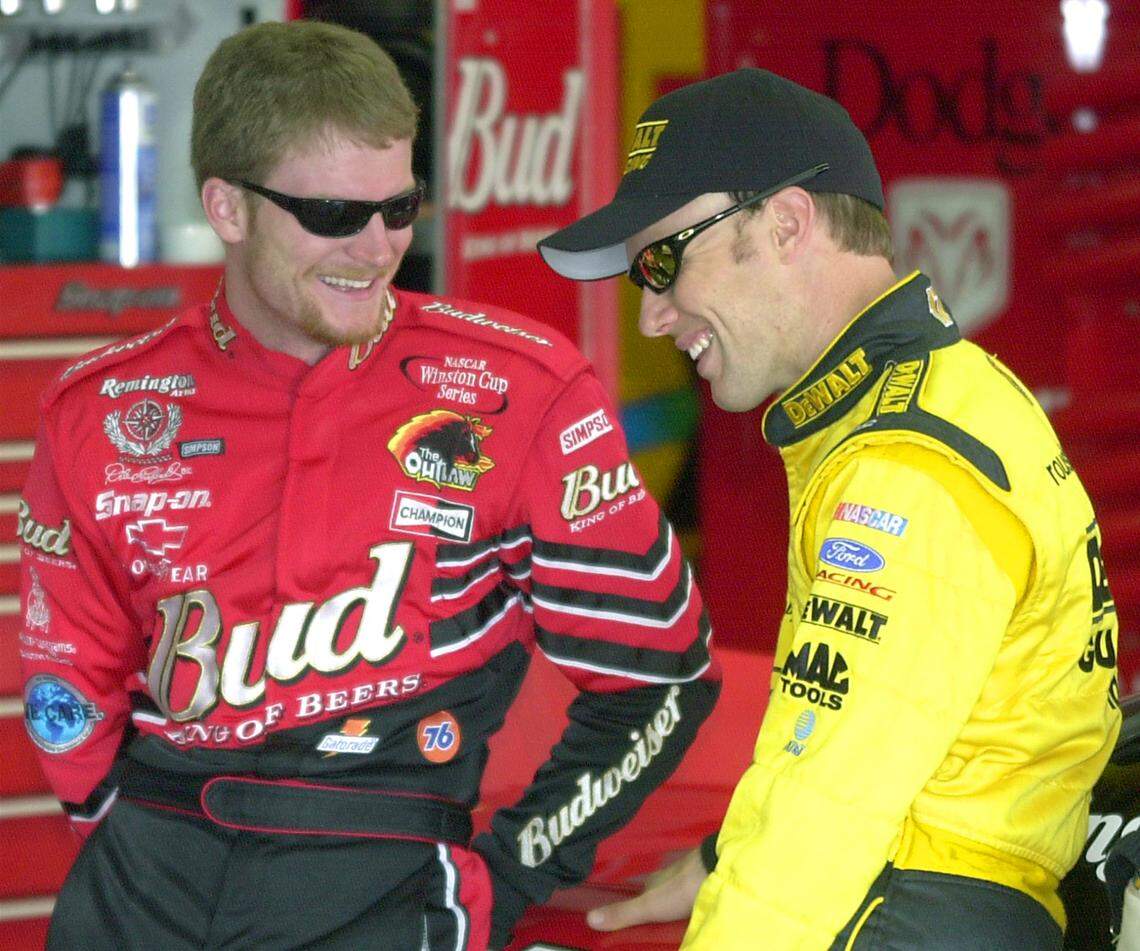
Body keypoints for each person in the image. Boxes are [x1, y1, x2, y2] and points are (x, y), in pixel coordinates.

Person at [17, 20, 720, 950]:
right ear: (227, 207)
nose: (376, 246)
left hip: (380, 872)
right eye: (335, 216)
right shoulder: (100, 407)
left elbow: (659, 675)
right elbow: (65, 680)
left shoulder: (523, 390)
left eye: (399, 208)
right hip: (144, 874)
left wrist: (510, 874)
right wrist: (134, 842)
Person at [538, 67, 1122, 949]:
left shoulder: (903, 465)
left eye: (662, 261)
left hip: (909, 905)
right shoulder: (942, 396)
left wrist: (739, 910)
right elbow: (867, 751)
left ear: (785, 224)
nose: (654, 315)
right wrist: (724, 856)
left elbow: (834, 809)